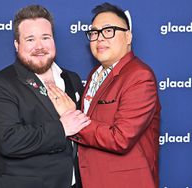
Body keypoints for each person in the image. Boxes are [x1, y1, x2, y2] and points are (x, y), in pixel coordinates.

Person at [47, 2, 161, 188]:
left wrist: (73, 119)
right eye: (94, 33)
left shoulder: (140, 76)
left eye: (109, 31)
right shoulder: (96, 74)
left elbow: (121, 138)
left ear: (128, 36)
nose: (100, 38)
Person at [0, 5, 90, 188]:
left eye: (45, 37)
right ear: (17, 45)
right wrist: (62, 128)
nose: (39, 46)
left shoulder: (71, 78)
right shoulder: (0, 84)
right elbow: (8, 141)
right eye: (30, 39)